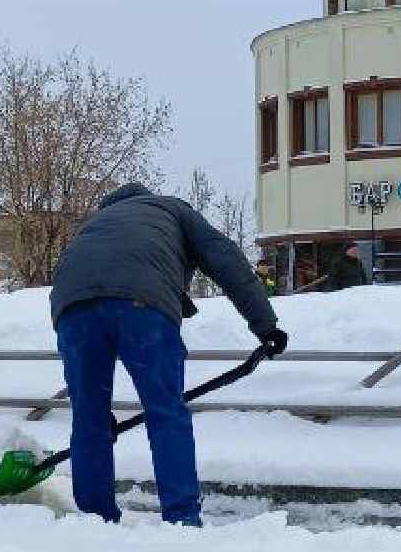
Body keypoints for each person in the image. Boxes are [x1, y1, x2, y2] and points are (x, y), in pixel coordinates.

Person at [47, 182, 286, 526]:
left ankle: (95, 519)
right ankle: (182, 516)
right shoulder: (171, 209)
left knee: (89, 418)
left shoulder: (93, 224)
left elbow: (79, 276)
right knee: (165, 411)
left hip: (73, 311)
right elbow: (225, 259)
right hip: (143, 307)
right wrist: (265, 325)